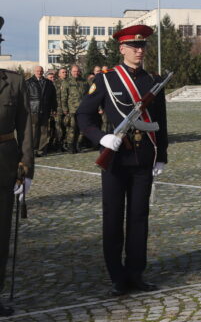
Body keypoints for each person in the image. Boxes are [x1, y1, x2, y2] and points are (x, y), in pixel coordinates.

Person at [76, 25, 169, 296]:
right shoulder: (106, 80)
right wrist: (101, 138)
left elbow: (160, 121)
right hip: (115, 158)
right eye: (134, 47)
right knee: (114, 218)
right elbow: (84, 115)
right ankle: (117, 275)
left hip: (143, 158)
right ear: (122, 49)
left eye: (143, 47)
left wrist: (161, 155)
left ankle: (135, 272)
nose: (139, 51)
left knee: (140, 217)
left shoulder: (153, 80)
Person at [0, 65, 34, 316]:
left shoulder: (14, 81)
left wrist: (26, 167)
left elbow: (25, 127)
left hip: (4, 164)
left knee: (1, 234)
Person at [25, 65, 57, 157]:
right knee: (34, 130)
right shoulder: (28, 82)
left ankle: (41, 149)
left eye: (41, 71)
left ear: (43, 72)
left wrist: (54, 108)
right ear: (34, 71)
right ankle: (33, 149)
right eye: (37, 71)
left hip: (45, 109)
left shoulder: (48, 83)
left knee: (44, 131)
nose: (39, 72)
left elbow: (53, 98)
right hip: (33, 110)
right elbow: (24, 97)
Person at [61, 64, 88, 153]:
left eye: (77, 71)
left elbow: (88, 95)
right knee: (72, 129)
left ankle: (78, 145)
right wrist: (65, 109)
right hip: (72, 110)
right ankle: (70, 146)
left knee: (82, 129)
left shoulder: (84, 82)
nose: (76, 73)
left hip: (83, 110)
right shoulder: (66, 82)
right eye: (74, 71)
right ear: (71, 72)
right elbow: (64, 97)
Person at [54, 67, 68, 152]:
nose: (65, 74)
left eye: (66, 72)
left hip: (67, 109)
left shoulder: (69, 82)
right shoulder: (55, 83)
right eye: (63, 72)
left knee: (67, 127)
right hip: (58, 108)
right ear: (59, 74)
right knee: (58, 128)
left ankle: (65, 144)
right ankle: (58, 145)